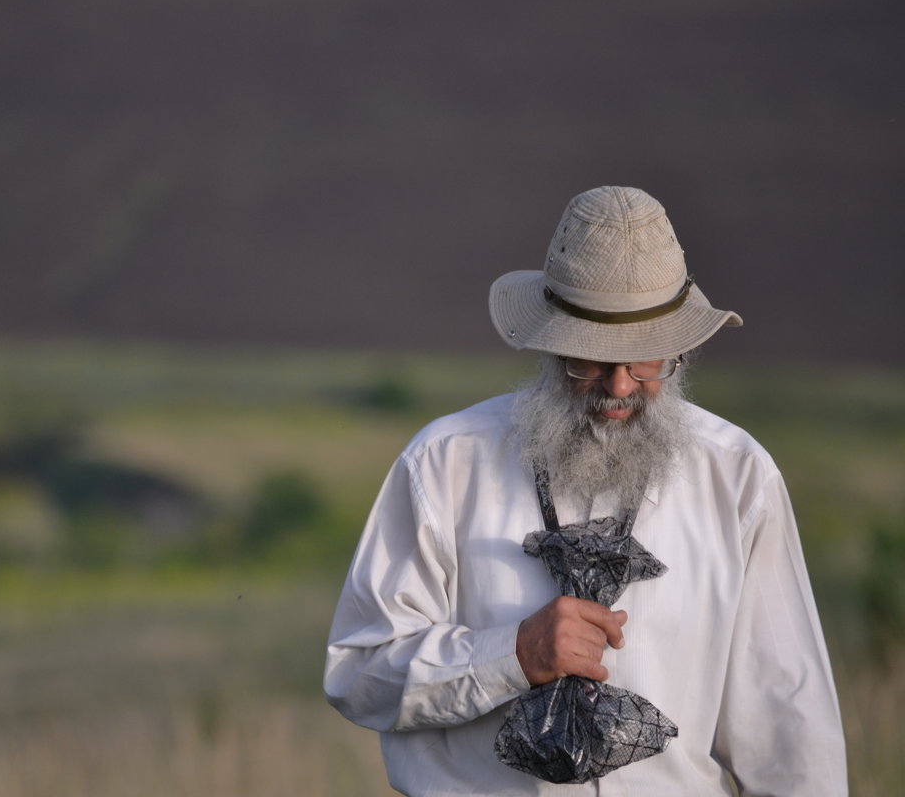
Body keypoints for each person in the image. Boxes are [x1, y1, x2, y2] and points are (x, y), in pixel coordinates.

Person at [323, 186, 847, 795]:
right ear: (550, 342)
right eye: (591, 360)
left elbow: (789, 726)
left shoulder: (737, 477)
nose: (620, 386)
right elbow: (357, 673)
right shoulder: (444, 464)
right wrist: (509, 656)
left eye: (647, 360)